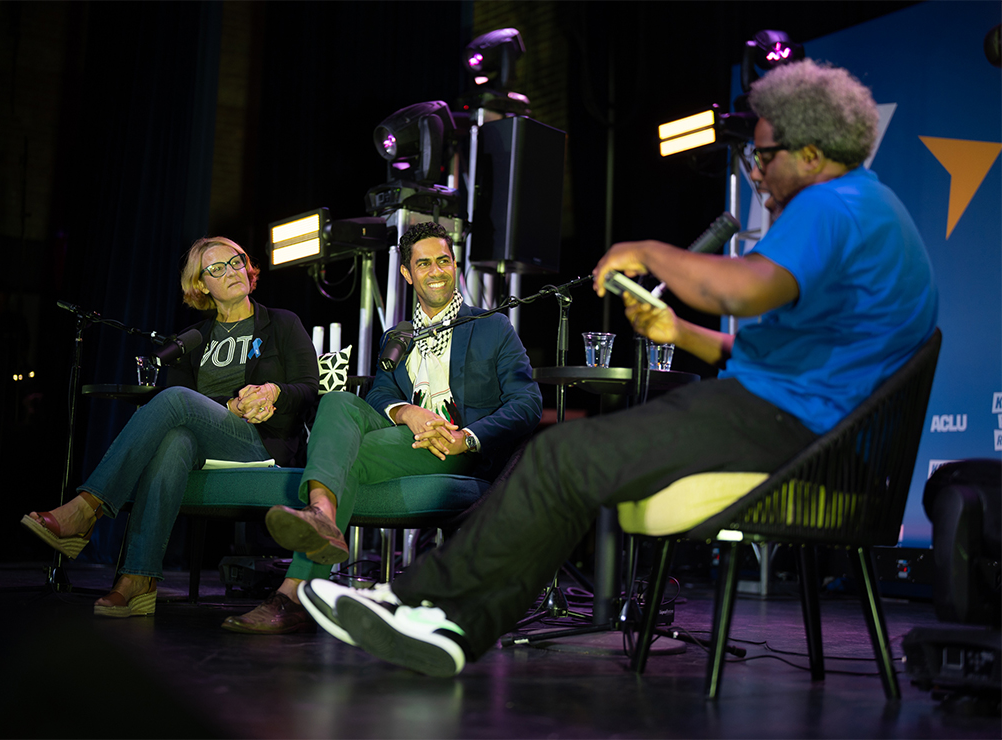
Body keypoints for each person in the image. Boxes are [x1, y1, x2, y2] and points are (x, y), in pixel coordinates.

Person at [296, 59, 940, 676]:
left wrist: (648, 250)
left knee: (558, 458)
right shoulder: (875, 210)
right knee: (560, 459)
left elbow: (743, 291)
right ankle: (448, 621)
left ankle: (429, 610)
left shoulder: (832, 203)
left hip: (788, 429)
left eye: (764, 158)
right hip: (815, 430)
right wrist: (678, 331)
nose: (759, 174)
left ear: (810, 151)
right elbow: (762, 349)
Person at [221, 221, 543, 634]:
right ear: (407, 274)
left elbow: (528, 401)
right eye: (423, 263)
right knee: (338, 400)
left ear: (455, 265)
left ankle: (296, 589)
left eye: (443, 260)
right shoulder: (398, 336)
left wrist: (467, 437)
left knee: (344, 458)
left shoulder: (490, 326)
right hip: (404, 439)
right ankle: (320, 518)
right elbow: (378, 396)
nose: (436, 270)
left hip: (455, 450)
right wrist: (409, 413)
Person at [21, 236, 319, 617]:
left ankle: (88, 507)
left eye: (237, 261)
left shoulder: (281, 323)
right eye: (216, 268)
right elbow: (180, 407)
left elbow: (309, 390)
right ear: (200, 285)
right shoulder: (192, 339)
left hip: (259, 440)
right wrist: (224, 404)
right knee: (175, 439)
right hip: (203, 440)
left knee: (175, 399)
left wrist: (274, 391)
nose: (232, 271)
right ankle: (138, 578)